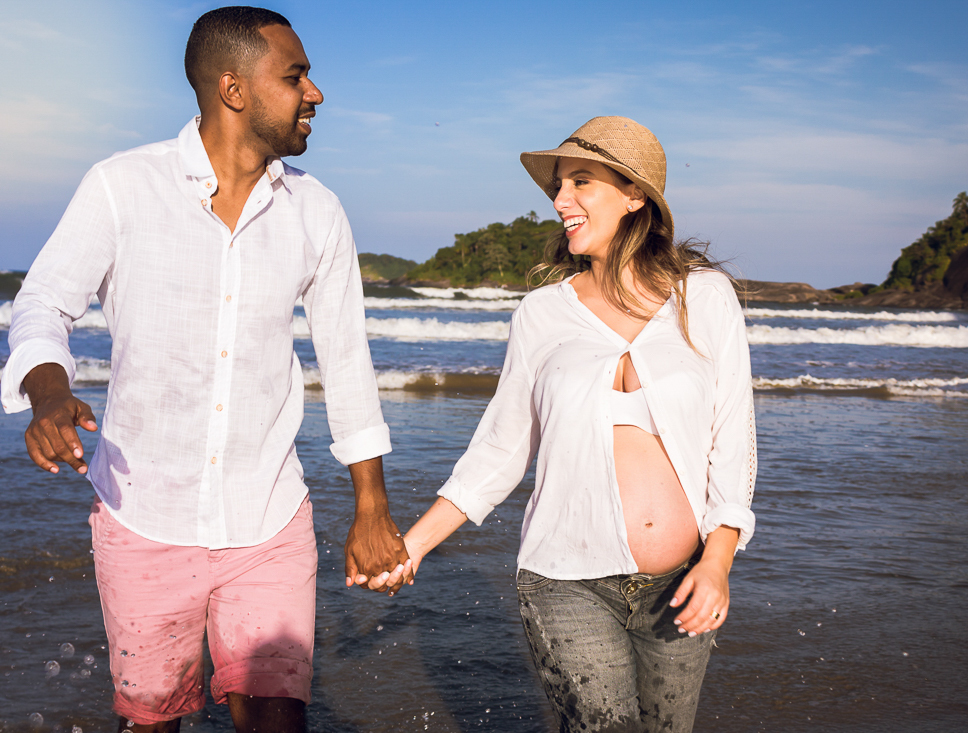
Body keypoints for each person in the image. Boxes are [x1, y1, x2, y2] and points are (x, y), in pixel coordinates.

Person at [0, 7, 408, 732]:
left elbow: (346, 357)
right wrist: (50, 390)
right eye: (296, 76)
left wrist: (371, 504)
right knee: (153, 719)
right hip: (142, 515)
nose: (316, 93)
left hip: (270, 517)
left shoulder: (316, 210)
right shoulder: (123, 187)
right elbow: (42, 302)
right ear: (234, 88)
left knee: (279, 717)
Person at [372, 116, 757, 732]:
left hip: (681, 587)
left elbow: (731, 440)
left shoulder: (704, 298)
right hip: (564, 581)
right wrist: (411, 547)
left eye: (581, 182)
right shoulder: (542, 314)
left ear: (636, 197)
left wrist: (717, 562)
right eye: (558, 186)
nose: (561, 201)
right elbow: (501, 448)